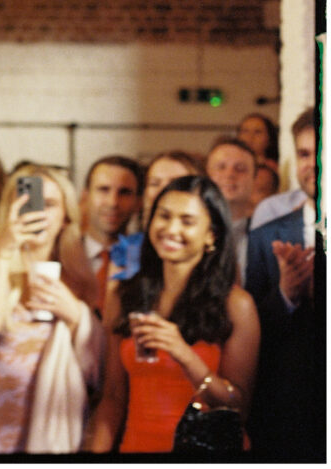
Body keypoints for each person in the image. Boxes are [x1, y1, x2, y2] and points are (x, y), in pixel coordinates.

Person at [84, 175, 260, 453]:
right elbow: (113, 397)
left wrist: (183, 354)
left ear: (211, 234)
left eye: (187, 221)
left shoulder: (236, 304)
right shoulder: (126, 294)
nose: (171, 229)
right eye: (163, 216)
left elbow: (237, 405)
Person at [0, 165, 102, 453]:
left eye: (50, 204)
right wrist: (6, 249)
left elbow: (97, 371)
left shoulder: (82, 277)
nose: (39, 213)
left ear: (65, 217)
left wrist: (74, 315)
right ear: (10, 208)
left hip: (52, 433)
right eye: (29, 202)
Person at [244, 107, 323, 459]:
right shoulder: (266, 236)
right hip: (289, 410)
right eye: (305, 153)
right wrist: (285, 296)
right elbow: (250, 332)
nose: (314, 163)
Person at [109, 151, 203, 281]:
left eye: (175, 182)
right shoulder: (128, 250)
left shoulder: (214, 252)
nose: (162, 191)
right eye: (154, 183)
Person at [79, 155, 143, 312]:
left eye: (124, 192)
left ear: (138, 203)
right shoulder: (60, 255)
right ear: (85, 197)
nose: (113, 202)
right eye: (103, 190)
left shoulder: (147, 262)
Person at [205, 137, 256, 284]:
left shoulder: (266, 237)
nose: (230, 174)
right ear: (206, 175)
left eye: (240, 169)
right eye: (221, 167)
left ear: (254, 179)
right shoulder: (189, 233)